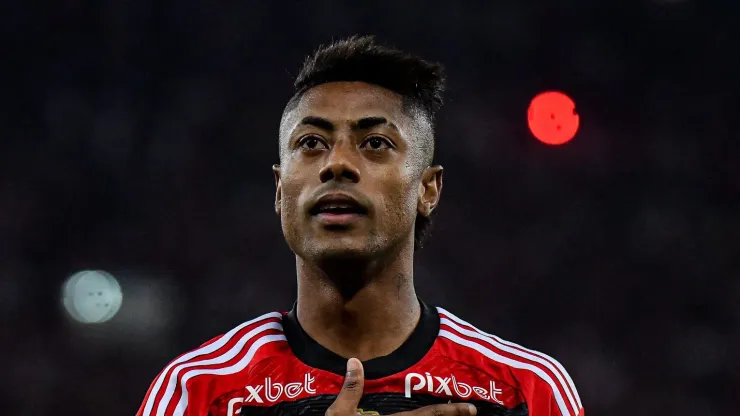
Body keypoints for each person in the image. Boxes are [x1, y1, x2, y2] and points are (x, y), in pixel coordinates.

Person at [136, 35, 585, 416]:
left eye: (375, 142)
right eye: (311, 143)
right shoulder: (198, 392)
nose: (338, 164)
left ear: (428, 189)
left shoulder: (525, 391)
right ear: (279, 189)